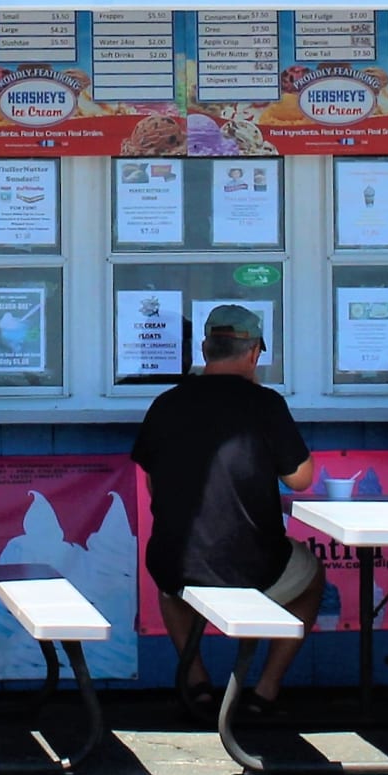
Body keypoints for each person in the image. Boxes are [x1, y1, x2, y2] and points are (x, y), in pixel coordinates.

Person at [128, 304, 318, 716]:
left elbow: (153, 483)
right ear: (254, 353)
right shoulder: (266, 404)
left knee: (170, 586)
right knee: (311, 577)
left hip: (177, 563)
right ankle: (265, 689)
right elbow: (301, 479)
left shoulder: (166, 403)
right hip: (254, 568)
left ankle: (196, 680)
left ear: (204, 349)